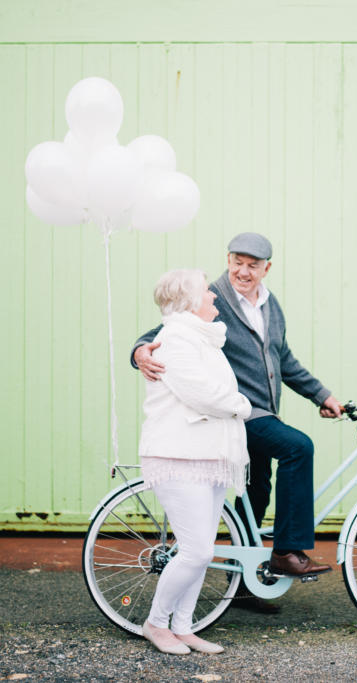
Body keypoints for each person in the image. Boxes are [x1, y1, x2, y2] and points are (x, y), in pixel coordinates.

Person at [132, 233, 343, 602]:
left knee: (256, 492)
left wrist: (321, 394)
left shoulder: (270, 305)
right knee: (298, 447)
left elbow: (284, 359)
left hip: (264, 414)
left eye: (252, 265)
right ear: (227, 259)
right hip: (238, 413)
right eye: (237, 262)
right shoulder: (211, 297)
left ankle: (247, 583)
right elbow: (162, 330)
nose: (242, 271)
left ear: (267, 269)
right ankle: (286, 551)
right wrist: (139, 352)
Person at [139, 268, 251, 655]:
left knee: (203, 548)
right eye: (207, 291)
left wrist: (232, 406)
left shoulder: (202, 337)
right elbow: (201, 392)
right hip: (178, 454)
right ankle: (156, 624)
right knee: (197, 550)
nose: (215, 296)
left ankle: (183, 626)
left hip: (207, 454)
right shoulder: (176, 337)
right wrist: (241, 406)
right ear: (188, 300)